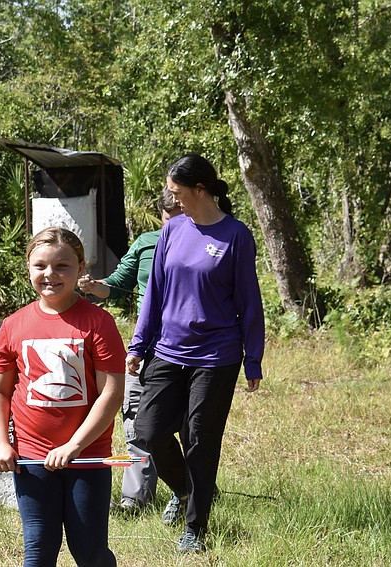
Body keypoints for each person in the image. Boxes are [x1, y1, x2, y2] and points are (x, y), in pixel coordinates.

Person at [126, 154, 264, 554]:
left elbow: (249, 302)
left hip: (216, 355)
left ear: (200, 190)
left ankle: (195, 527)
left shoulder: (235, 236)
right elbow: (154, 293)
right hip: (168, 350)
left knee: (200, 440)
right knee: (148, 431)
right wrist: (139, 344)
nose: (172, 200)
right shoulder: (172, 230)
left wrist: (253, 358)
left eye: (177, 192)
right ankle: (188, 490)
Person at [0, 226, 127, 567]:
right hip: (31, 459)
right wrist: (1, 444)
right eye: (40, 266)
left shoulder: (98, 323)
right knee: (38, 551)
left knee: (90, 552)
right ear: (28, 268)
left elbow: (111, 393)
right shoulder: (13, 324)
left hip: (87, 457)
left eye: (62, 266)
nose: (50, 274)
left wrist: (74, 446)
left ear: (81, 268)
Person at [77, 188, 188, 516]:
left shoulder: (204, 243)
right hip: (145, 351)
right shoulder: (146, 243)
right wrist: (93, 286)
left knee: (186, 427)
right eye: (168, 220)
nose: (174, 227)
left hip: (188, 353)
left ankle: (189, 490)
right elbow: (114, 285)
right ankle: (135, 500)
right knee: (136, 422)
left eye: (182, 219)